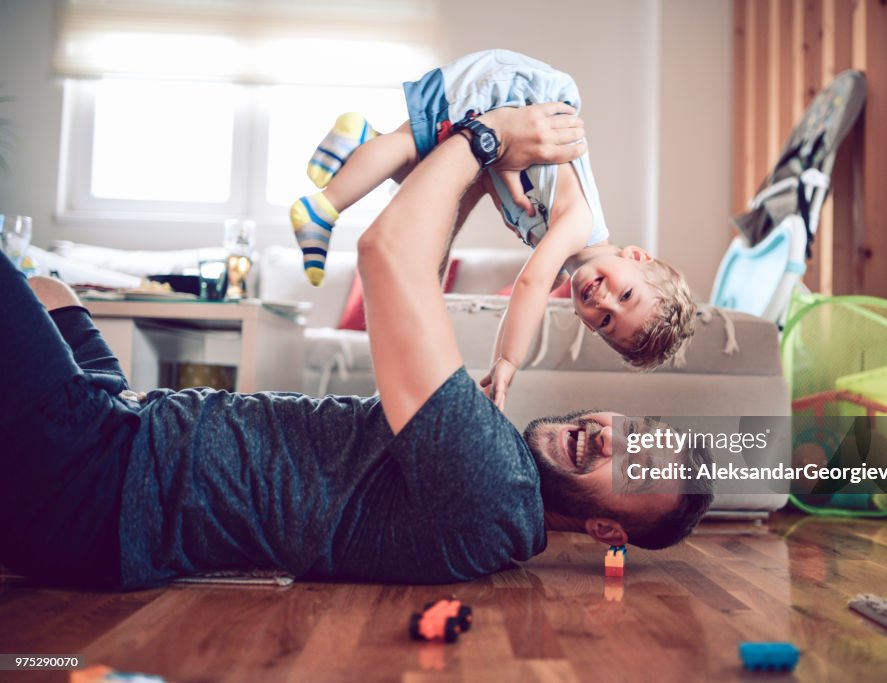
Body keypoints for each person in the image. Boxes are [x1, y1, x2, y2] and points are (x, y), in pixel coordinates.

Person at [0, 104, 713, 590]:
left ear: (605, 526)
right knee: (46, 288)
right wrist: (456, 194)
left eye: (635, 467)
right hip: (127, 427)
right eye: (639, 432)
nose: (612, 437)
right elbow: (418, 287)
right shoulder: (499, 487)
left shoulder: (495, 486)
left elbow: (385, 252)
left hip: (103, 480)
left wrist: (484, 136)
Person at [289, 50, 698, 409]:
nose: (604, 300)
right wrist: (507, 362)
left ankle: (360, 141)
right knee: (420, 146)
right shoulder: (579, 226)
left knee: (422, 169)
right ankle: (323, 208)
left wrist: (507, 174)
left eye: (605, 320)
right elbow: (530, 285)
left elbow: (492, 177)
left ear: (587, 324)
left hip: (507, 106)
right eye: (626, 294)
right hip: (511, 92)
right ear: (636, 256)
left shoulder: (563, 253)